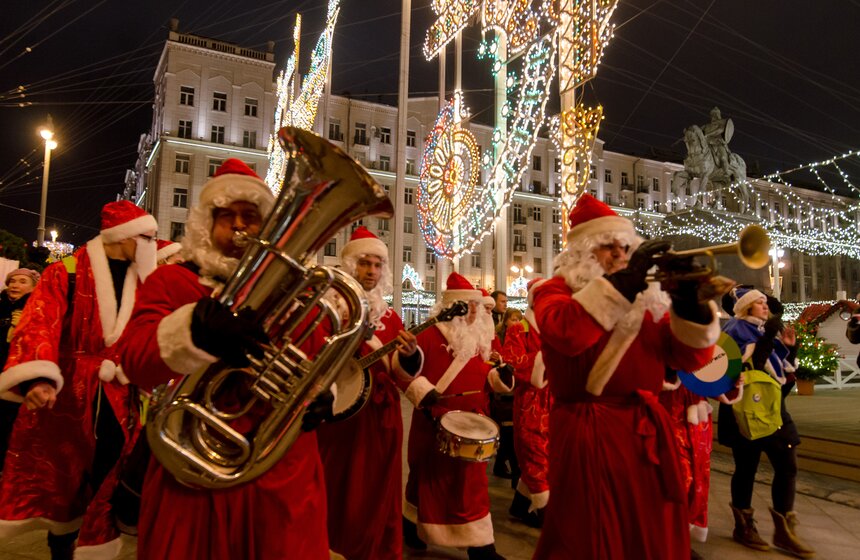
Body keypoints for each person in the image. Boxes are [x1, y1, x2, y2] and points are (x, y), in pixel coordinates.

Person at [113, 158, 333, 559]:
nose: (238, 227)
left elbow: (318, 358)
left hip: (281, 473)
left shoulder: (296, 296)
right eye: (225, 216)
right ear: (205, 225)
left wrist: (320, 393)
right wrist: (194, 330)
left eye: (250, 216)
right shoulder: (172, 281)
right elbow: (134, 360)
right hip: (193, 473)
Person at [530, 193, 720, 559]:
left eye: (625, 247)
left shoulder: (647, 299)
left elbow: (687, 357)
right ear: (583, 253)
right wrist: (626, 283)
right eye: (607, 247)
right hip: (590, 428)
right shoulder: (553, 290)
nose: (619, 254)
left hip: (645, 428)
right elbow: (566, 334)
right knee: (593, 533)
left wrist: (688, 305)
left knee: (648, 525)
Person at [0, 201, 158, 560]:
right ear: (125, 237)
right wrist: (37, 379)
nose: (153, 243)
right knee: (64, 478)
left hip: (123, 393)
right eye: (147, 236)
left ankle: (96, 542)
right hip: (71, 394)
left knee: (113, 472)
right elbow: (39, 322)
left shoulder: (146, 277)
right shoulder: (65, 272)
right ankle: (61, 544)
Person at [316, 226, 421, 560]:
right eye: (365, 264)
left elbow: (399, 371)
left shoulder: (389, 315)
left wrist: (408, 355)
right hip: (341, 421)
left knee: (378, 491)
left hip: (381, 418)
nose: (372, 272)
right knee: (340, 488)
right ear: (350, 265)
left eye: (377, 265)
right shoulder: (329, 311)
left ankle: (375, 550)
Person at [402, 272, 514, 560]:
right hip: (433, 421)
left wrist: (499, 376)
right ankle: (412, 527)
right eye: (471, 305)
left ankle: (481, 546)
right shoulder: (428, 335)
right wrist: (420, 389)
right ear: (457, 307)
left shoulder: (476, 338)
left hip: (472, 422)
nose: (477, 311)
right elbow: (401, 371)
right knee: (425, 480)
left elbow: (481, 376)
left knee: (471, 486)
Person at [718, 287, 815, 558]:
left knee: (788, 464)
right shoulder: (735, 330)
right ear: (745, 307)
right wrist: (770, 337)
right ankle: (744, 526)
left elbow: (780, 374)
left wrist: (789, 349)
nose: (765, 306)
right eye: (759, 302)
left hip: (773, 408)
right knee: (746, 468)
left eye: (765, 302)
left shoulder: (762, 331)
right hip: (744, 408)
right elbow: (745, 365)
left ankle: (785, 530)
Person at [503, 277, 552, 528]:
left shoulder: (556, 327)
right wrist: (548, 358)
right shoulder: (518, 328)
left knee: (548, 456)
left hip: (554, 401)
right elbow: (514, 362)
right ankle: (547, 515)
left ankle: (520, 507)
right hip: (531, 402)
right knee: (535, 454)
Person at [0, 268, 41, 471]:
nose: (14, 285)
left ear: (34, 286)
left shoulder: (39, 311)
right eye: (12, 281)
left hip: (18, 380)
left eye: (22, 281)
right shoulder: (2, 307)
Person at [490, 306, 521, 481]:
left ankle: (501, 464)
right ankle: (505, 466)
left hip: (513, 390)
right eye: (513, 319)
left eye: (519, 320)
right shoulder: (499, 338)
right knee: (507, 432)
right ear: (506, 321)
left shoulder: (519, 338)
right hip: (502, 392)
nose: (516, 323)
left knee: (509, 433)